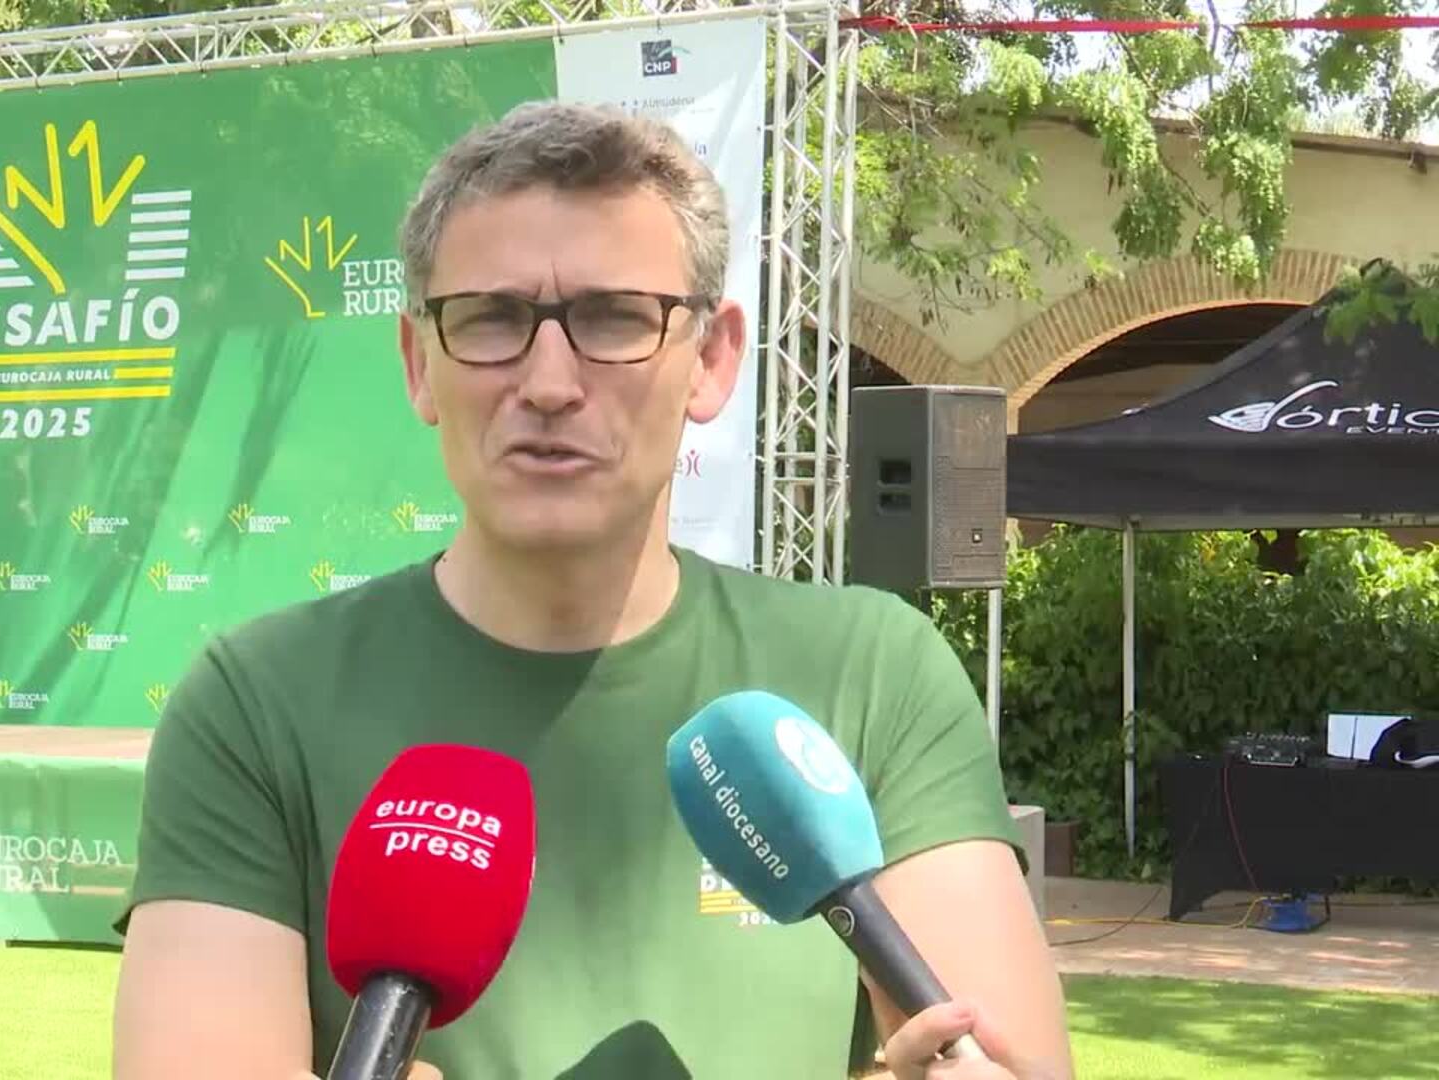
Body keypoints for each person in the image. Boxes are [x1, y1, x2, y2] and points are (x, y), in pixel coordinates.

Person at [112, 100, 1073, 1080]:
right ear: (418, 364)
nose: (549, 383)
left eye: (615, 318)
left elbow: (996, 1053)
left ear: (712, 359)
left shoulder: (871, 675)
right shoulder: (254, 705)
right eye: (490, 318)